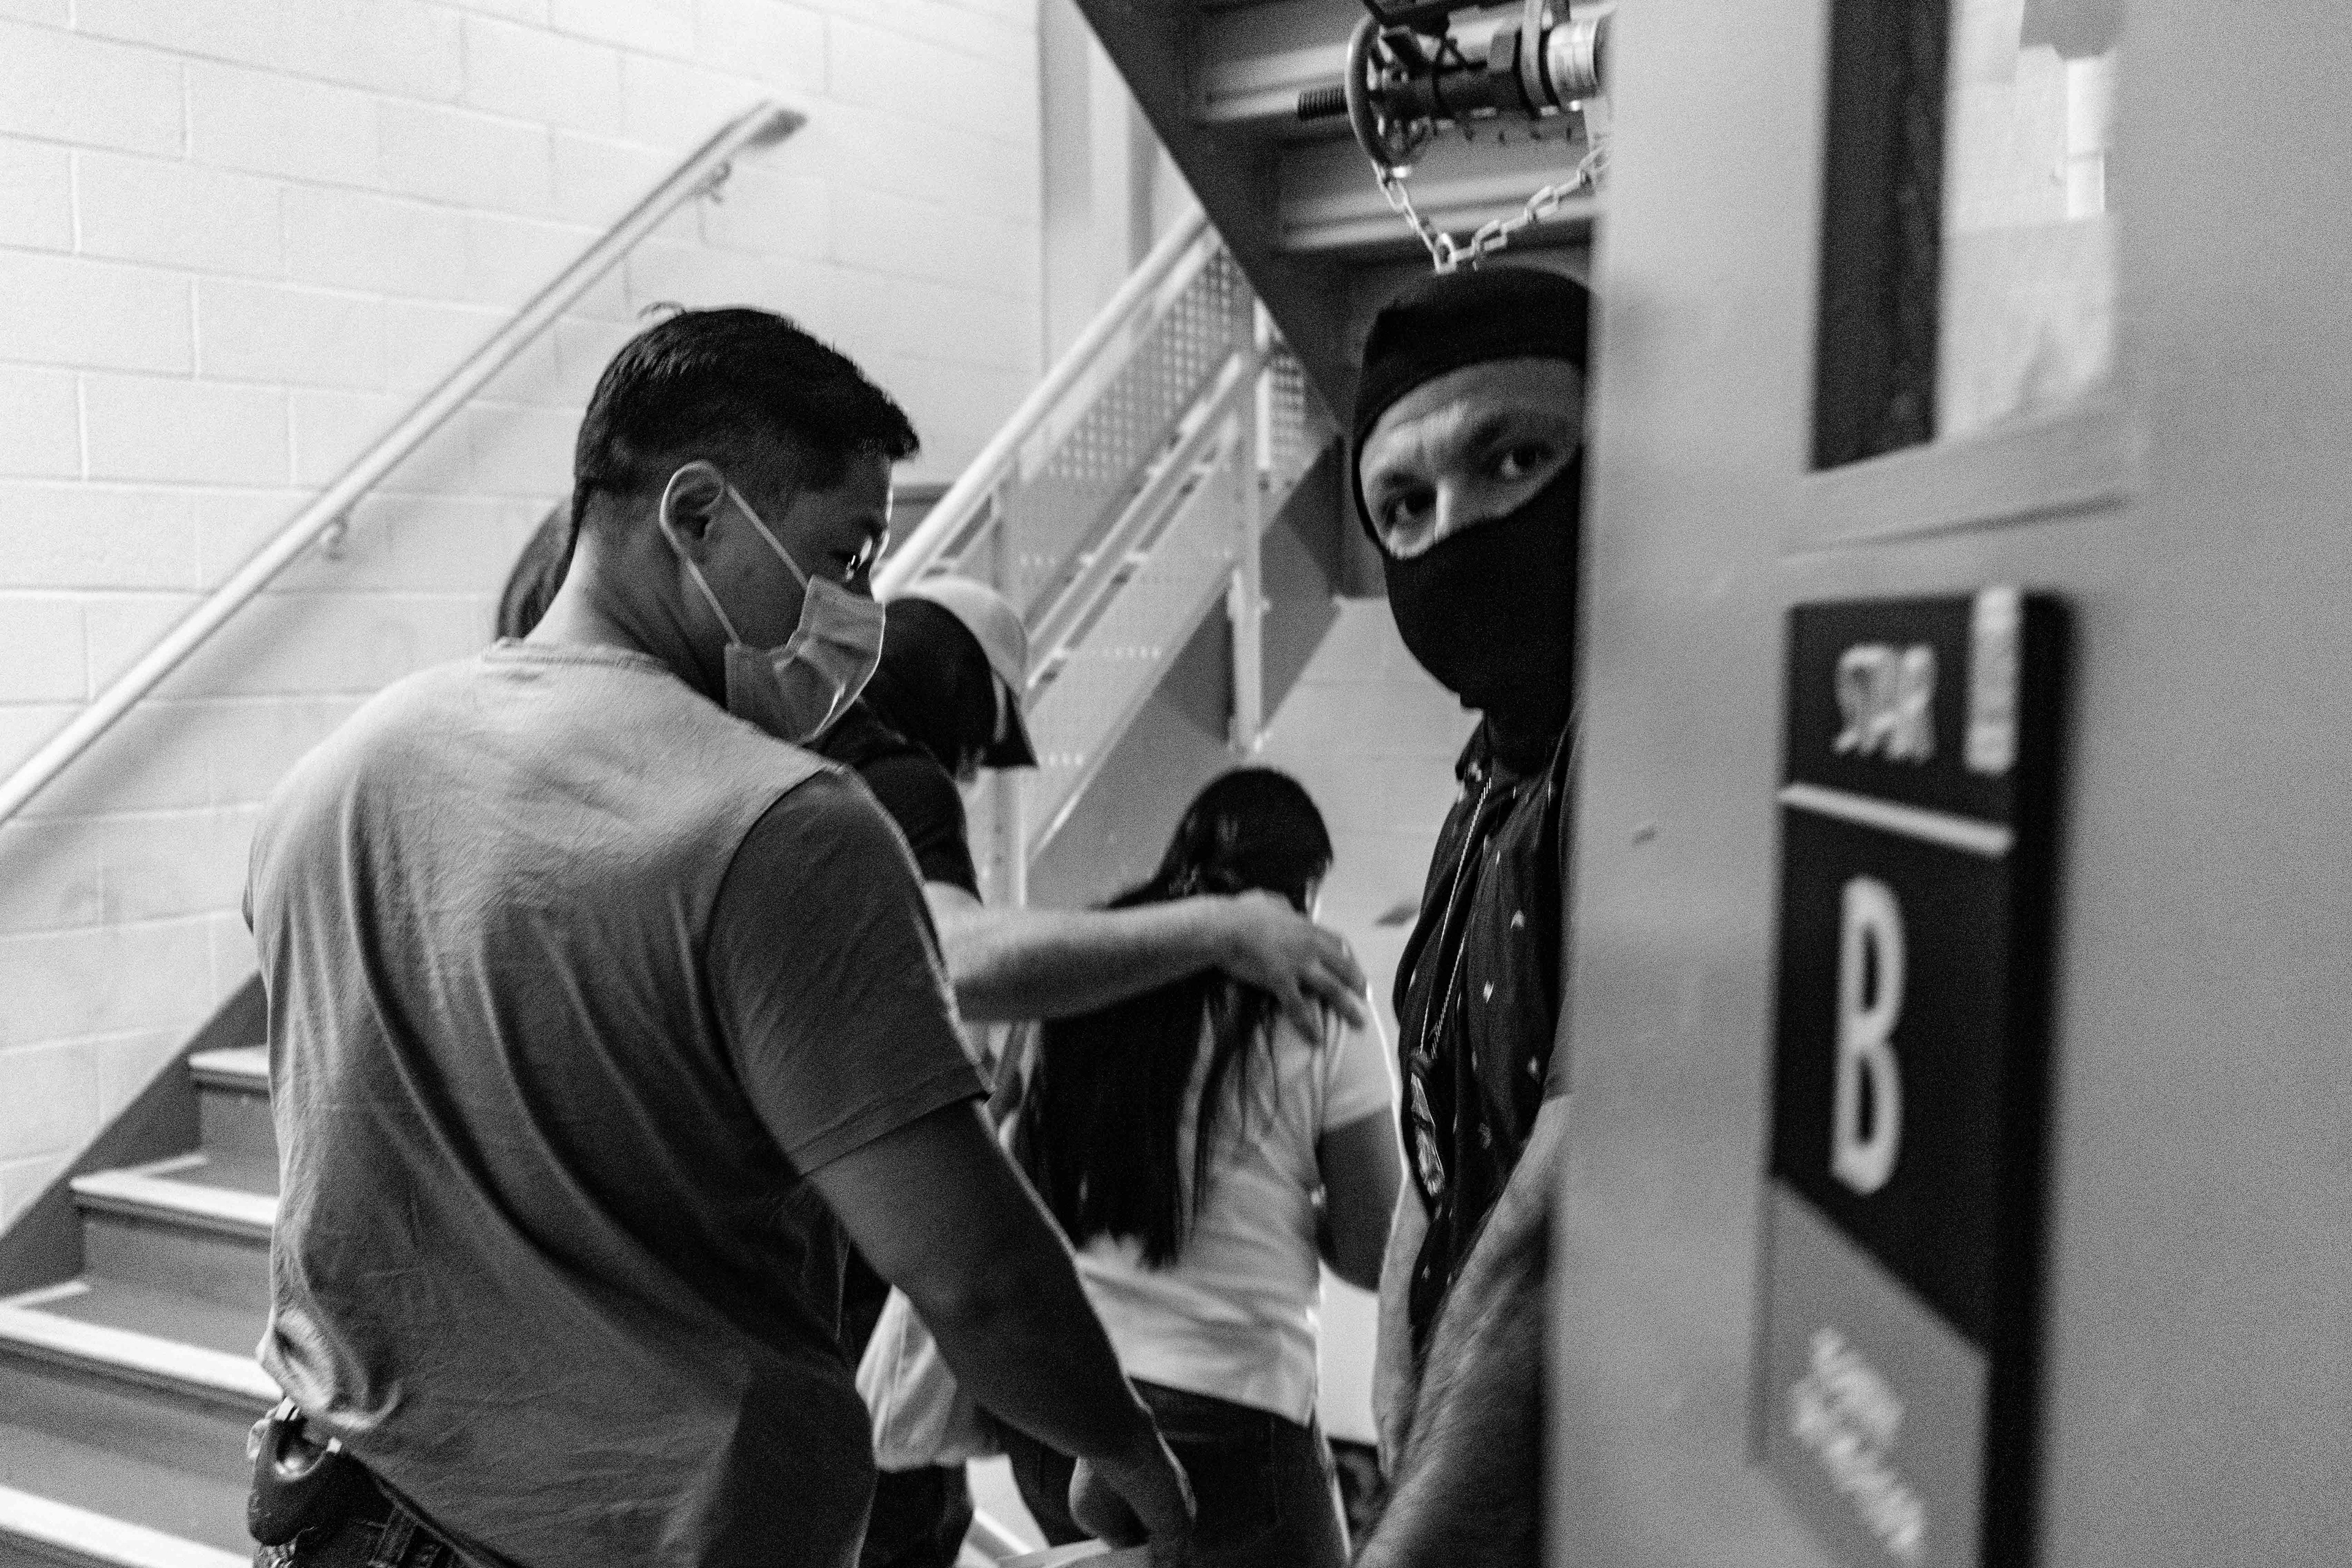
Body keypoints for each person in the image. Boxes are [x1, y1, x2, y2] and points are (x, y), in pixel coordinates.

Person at [245, 307, 1193, 1568]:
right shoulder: (781, 827)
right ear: (696, 515)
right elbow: (974, 1272)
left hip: (339, 1520)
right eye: (848, 557)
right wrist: (1130, 1451)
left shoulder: (333, 777)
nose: (862, 613)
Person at [822, 581, 1377, 1568]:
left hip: (1058, 1409)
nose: (974, 778)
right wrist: (1227, 932)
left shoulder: (805, 765)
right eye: (983, 747)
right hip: (1223, 1405)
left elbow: (1012, 1128)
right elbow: (954, 962)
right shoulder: (901, 781)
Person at [997, 769, 1401, 1568]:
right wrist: (1286, 1207)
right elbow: (1371, 1248)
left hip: (1065, 1412)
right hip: (1230, 1426)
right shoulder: (1320, 1004)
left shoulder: (1084, 972)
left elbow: (1018, 1178)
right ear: (1303, 894)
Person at [1347, 265, 1591, 1568]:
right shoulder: (1489, 790)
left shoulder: (1659, 771)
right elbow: (1441, 1154)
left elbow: (1563, 1217)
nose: (1461, 529)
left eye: (1517, 457)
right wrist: (1398, 1372)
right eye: (1406, 504)